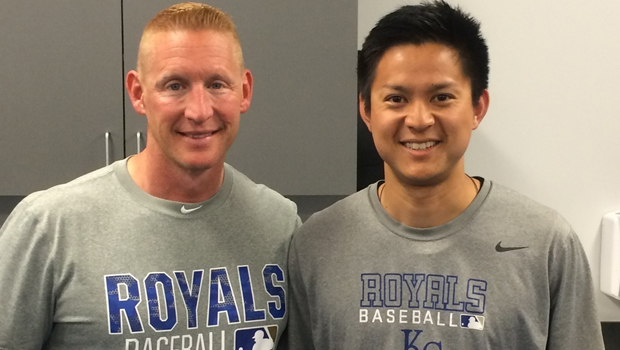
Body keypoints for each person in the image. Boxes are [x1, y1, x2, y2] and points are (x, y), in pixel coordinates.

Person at [284, 1, 605, 349]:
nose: (419, 120)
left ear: (477, 107)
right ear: (366, 110)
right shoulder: (317, 245)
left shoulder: (546, 245)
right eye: (396, 98)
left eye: (441, 97)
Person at [0, 3, 299, 349]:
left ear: (244, 91)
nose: (199, 111)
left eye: (217, 84)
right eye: (175, 85)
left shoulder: (280, 225)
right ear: (138, 93)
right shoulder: (49, 228)